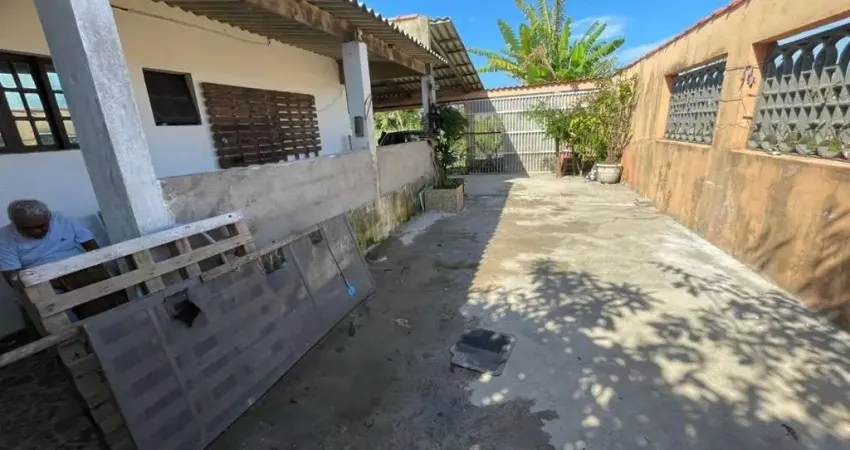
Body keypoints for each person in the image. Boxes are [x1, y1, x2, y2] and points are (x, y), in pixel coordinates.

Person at [0, 199, 123, 321]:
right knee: (52, 305)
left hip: (79, 266)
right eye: (28, 228)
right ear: (14, 223)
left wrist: (100, 263)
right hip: (42, 278)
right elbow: (13, 278)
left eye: (43, 226)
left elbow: (91, 245)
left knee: (104, 289)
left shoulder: (61, 220)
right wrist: (42, 283)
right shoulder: (4, 239)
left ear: (49, 217)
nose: (36, 231)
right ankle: (79, 333)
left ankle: (114, 321)